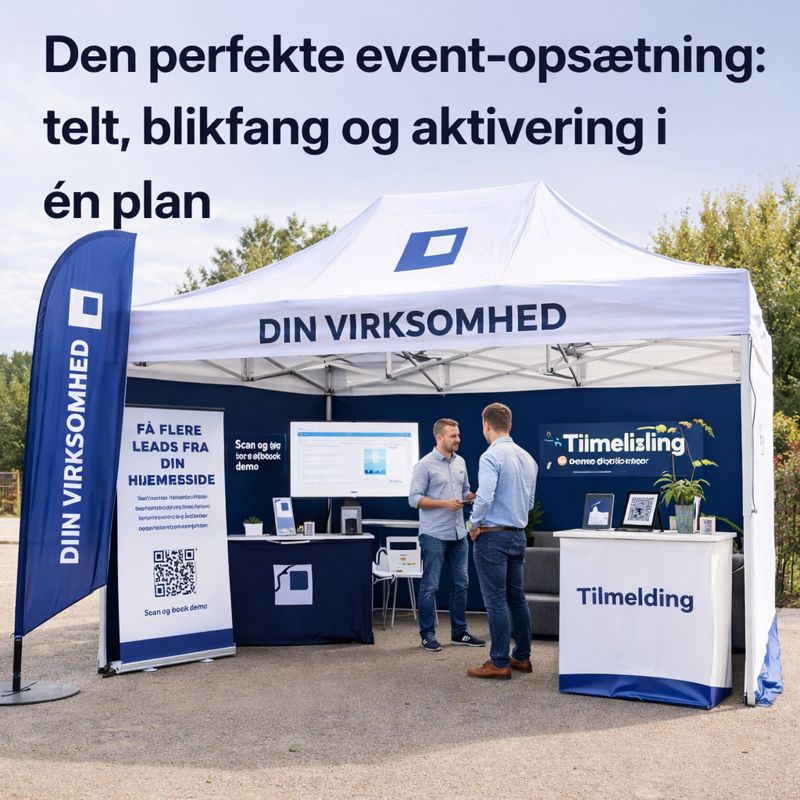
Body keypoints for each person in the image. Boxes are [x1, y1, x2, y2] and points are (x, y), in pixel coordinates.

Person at [466, 403, 537, 679]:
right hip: (518, 535)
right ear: (510, 425)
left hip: (492, 537)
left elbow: (484, 498)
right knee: (517, 598)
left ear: (486, 425)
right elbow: (529, 503)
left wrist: (473, 525)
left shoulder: (491, 456)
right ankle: (522, 657)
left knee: (495, 600)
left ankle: (498, 662)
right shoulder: (528, 458)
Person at [408, 418, 485, 652]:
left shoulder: (460, 461)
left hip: (459, 533)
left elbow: (465, 491)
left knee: (462, 583)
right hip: (434, 534)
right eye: (453, 436)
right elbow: (414, 499)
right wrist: (444, 503)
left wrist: (476, 496)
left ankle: (459, 632)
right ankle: (427, 634)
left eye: (458, 435)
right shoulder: (424, 465)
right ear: (439, 437)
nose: (458, 439)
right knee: (430, 586)